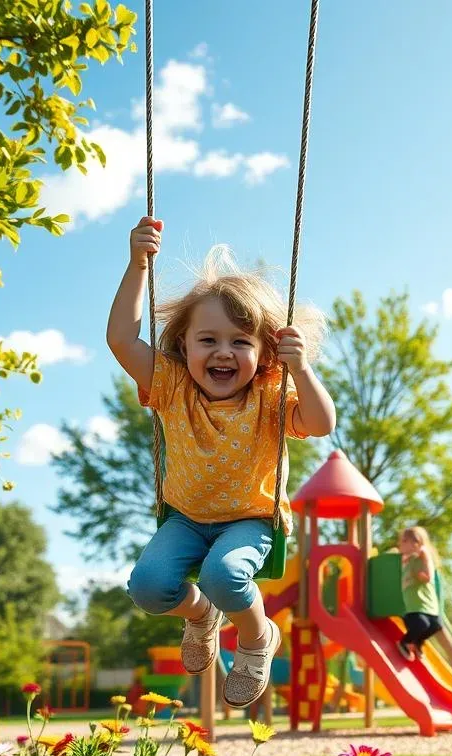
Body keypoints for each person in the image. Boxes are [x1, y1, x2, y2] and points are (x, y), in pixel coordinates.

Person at [108, 217, 336, 708]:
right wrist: (137, 266)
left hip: (249, 522)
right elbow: (123, 340)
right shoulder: (171, 386)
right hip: (186, 519)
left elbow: (319, 423)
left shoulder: (271, 394)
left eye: (241, 341)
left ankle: (256, 638)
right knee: (147, 589)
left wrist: (302, 368)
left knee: (223, 574)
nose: (223, 352)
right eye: (208, 340)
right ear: (183, 346)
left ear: (264, 352)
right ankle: (202, 615)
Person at [397, 526, 442, 660]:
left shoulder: (424, 559)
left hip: (428, 605)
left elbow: (428, 572)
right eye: (402, 540)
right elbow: (401, 558)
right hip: (414, 608)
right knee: (422, 624)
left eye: (406, 541)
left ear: (418, 544)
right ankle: (404, 641)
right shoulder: (406, 560)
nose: (402, 544)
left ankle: (417, 642)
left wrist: (424, 553)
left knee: (436, 625)